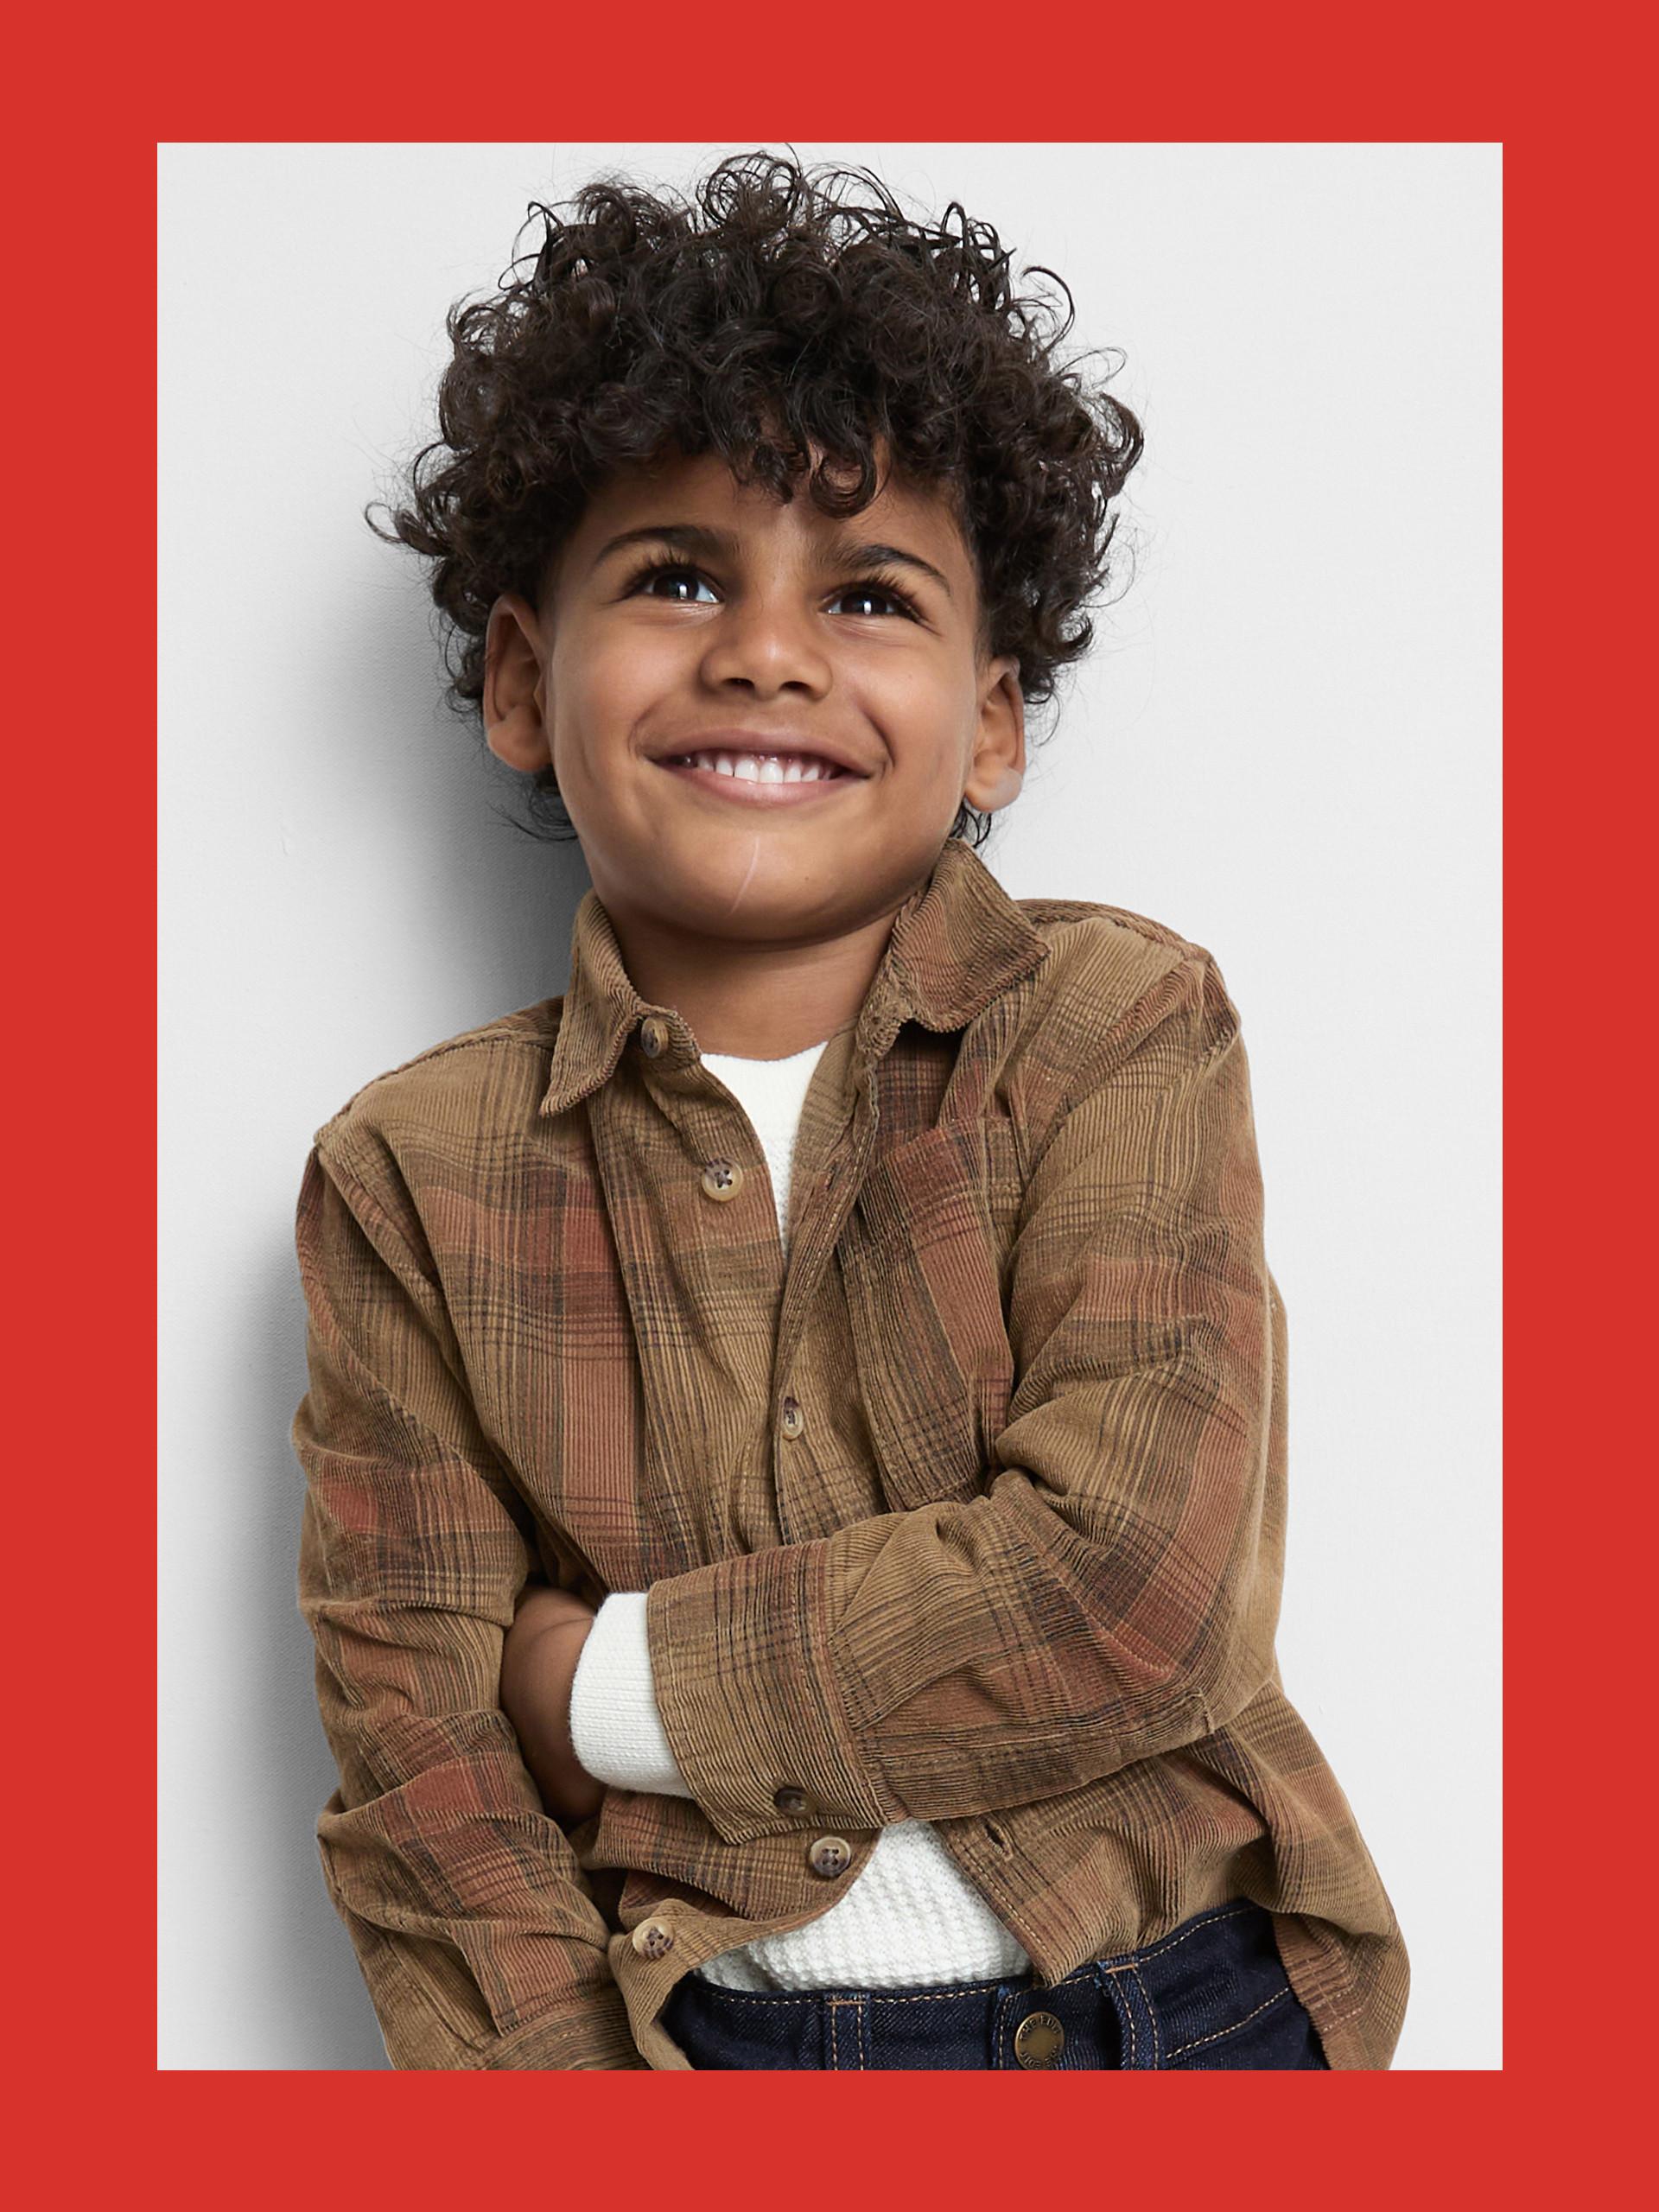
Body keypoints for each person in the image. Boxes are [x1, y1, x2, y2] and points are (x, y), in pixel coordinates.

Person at [291, 148, 1409, 2069]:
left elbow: (1136, 1583)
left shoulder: (1119, 1028)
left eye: (868, 591)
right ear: (517, 674)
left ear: (990, 721)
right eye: (676, 576)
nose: (768, 649)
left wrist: (600, 1687)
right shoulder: (411, 1178)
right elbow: (429, 1786)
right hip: (705, 2047)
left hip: (1181, 2010)